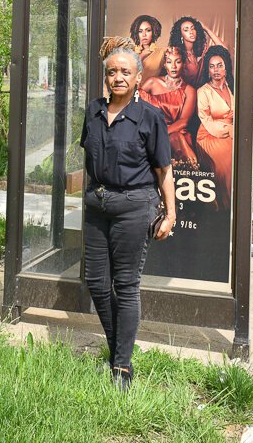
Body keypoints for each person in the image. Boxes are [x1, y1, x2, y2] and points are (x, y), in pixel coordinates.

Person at [80, 35, 176, 389]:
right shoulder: (93, 111)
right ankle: (117, 348)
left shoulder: (148, 117)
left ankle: (121, 366)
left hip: (134, 207)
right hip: (97, 206)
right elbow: (88, 157)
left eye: (125, 72)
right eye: (112, 72)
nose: (118, 77)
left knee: (126, 284)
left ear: (137, 78)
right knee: (96, 282)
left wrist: (170, 213)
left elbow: (164, 169)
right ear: (105, 77)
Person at [139, 46, 198, 167]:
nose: (174, 66)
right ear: (164, 65)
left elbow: (184, 121)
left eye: (178, 61)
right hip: (152, 131)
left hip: (176, 133)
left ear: (183, 64)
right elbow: (134, 104)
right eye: (169, 62)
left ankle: (188, 172)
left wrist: (160, 134)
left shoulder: (189, 90)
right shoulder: (152, 82)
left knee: (178, 139)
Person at [195, 46, 235, 211]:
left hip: (230, 132)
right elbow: (206, 120)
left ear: (226, 68)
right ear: (208, 70)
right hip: (208, 135)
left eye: (219, 65)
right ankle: (226, 206)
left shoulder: (231, 87)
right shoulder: (203, 91)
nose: (216, 70)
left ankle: (235, 204)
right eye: (212, 66)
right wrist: (231, 130)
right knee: (228, 156)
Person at [169, 16, 227, 88]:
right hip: (185, 95)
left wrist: (206, 29)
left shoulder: (201, 51)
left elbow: (224, 49)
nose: (191, 32)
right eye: (186, 30)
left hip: (202, 94)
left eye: (193, 28)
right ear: (181, 35)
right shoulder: (177, 54)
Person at [129, 14, 165, 84]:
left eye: (148, 30)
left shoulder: (161, 52)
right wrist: (141, 56)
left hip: (151, 91)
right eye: (140, 31)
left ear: (154, 32)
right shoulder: (130, 51)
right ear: (136, 33)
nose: (144, 34)